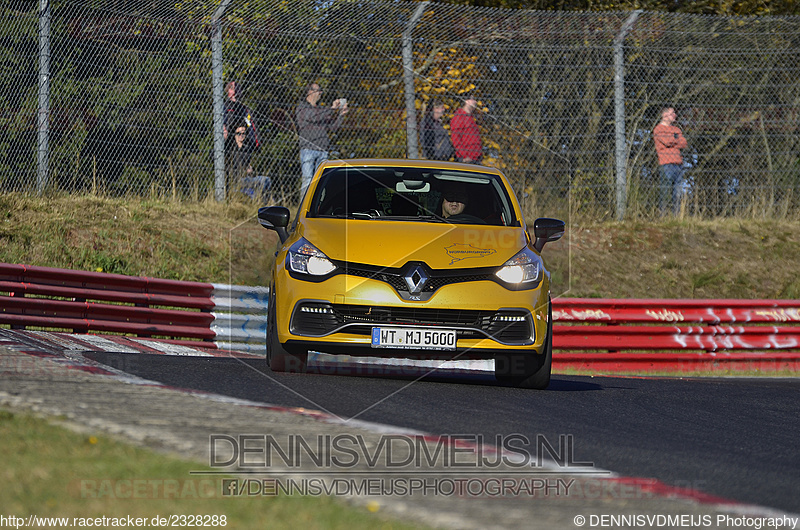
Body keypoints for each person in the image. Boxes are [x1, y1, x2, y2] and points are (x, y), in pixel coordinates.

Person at [296, 82, 348, 195]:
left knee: (321, 182)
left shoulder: (321, 110)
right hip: (308, 149)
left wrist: (341, 115)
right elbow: (312, 117)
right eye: (318, 90)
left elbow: (333, 127)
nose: (320, 93)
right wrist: (331, 108)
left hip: (323, 150)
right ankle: (303, 208)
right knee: (308, 180)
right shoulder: (302, 108)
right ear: (310, 92)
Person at [653, 106, 688, 215]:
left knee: (677, 194)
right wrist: (676, 139)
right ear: (664, 115)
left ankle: (676, 217)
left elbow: (684, 143)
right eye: (672, 113)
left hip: (678, 164)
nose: (675, 115)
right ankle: (663, 216)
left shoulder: (676, 129)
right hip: (666, 164)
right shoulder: (658, 129)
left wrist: (673, 139)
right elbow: (667, 141)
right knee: (665, 192)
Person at [226, 119, 268, 198]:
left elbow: (252, 164)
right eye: (238, 133)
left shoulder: (248, 148)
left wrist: (251, 169)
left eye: (243, 133)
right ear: (235, 134)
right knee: (263, 181)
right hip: (237, 179)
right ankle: (259, 199)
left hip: (248, 178)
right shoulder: (230, 148)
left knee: (266, 180)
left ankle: (260, 200)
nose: (241, 136)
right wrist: (245, 169)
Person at [223, 81, 260, 150]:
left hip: (240, 143)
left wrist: (255, 143)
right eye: (233, 88)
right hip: (227, 139)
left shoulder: (243, 109)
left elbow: (250, 123)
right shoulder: (224, 106)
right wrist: (224, 128)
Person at [450, 96, 483, 164]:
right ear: (466, 101)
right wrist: (465, 156)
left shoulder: (471, 117)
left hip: (475, 157)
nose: (475, 102)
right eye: (473, 99)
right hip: (467, 158)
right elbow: (456, 138)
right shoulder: (459, 117)